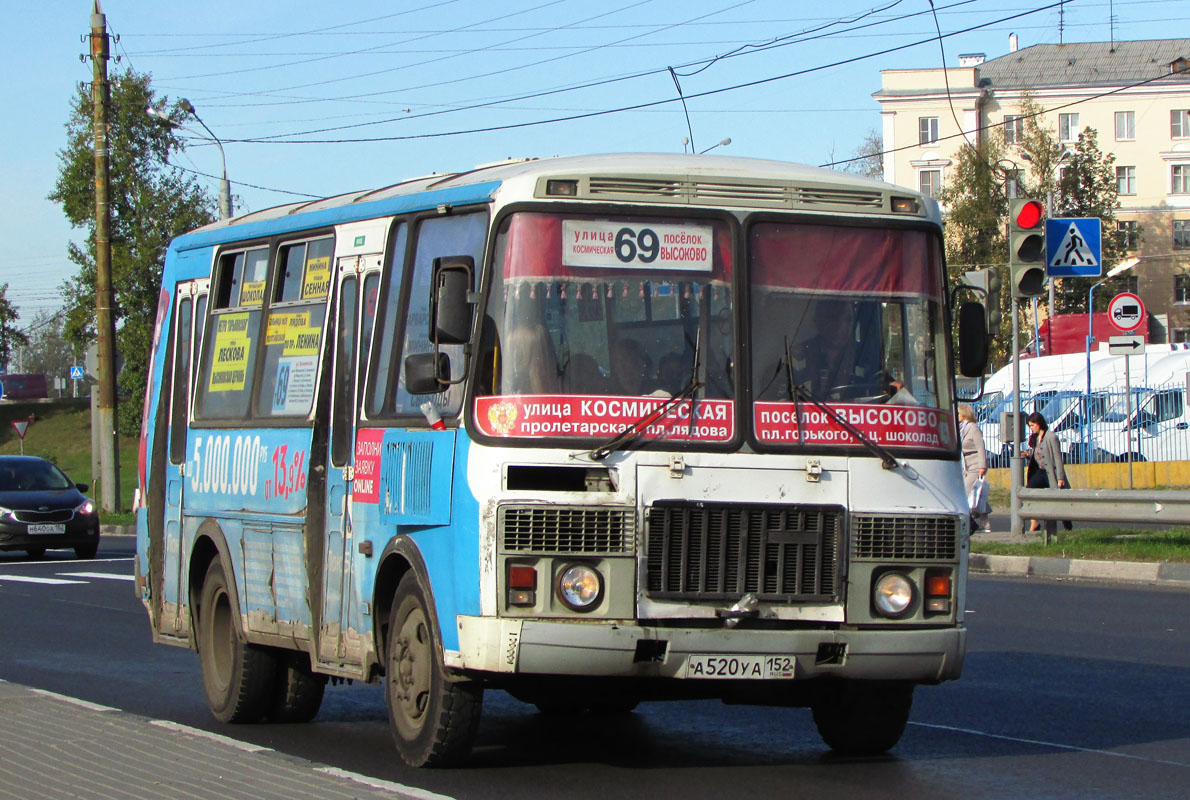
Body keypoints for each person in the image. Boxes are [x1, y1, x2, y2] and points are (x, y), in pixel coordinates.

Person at [1022, 411, 1070, 535]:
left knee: (1059, 501)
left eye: (1032, 425)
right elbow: (1038, 455)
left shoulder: (1051, 437)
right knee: (1028, 492)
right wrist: (1028, 455)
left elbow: (1057, 458)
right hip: (1040, 472)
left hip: (1051, 474)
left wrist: (1060, 477)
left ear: (1039, 424)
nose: (1031, 428)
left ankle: (1068, 526)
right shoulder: (1036, 438)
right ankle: (1035, 522)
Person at [958, 404, 989, 532]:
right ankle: (984, 522)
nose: (957, 416)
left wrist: (982, 466)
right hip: (966, 464)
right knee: (977, 495)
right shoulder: (962, 428)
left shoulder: (973, 428)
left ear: (964, 414)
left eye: (958, 413)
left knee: (966, 492)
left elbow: (980, 447)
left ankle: (968, 524)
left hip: (975, 465)